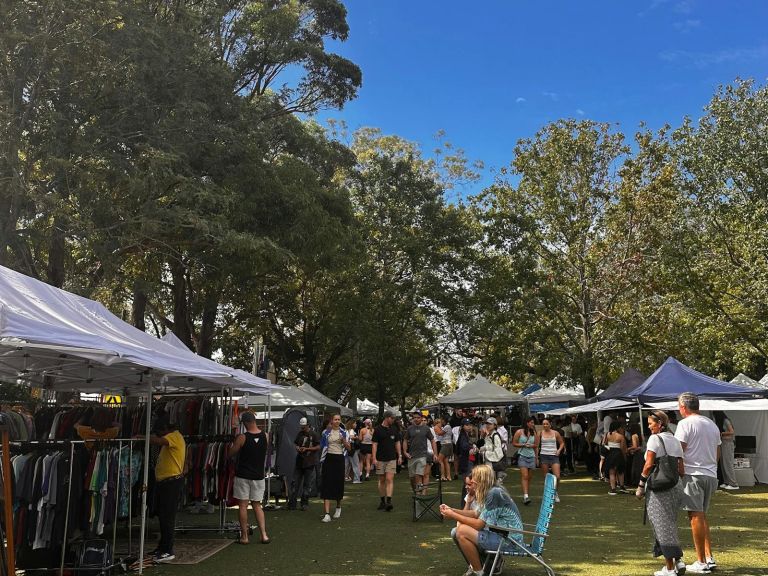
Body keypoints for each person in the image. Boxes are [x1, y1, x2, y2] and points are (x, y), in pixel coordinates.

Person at [440, 464, 524, 576]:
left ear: (481, 480)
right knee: (457, 531)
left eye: (474, 479)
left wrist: (452, 515)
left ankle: (480, 572)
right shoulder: (492, 491)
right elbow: (475, 514)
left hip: (509, 540)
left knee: (461, 531)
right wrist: (452, 510)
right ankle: (480, 566)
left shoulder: (494, 494)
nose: (472, 482)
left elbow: (478, 525)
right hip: (502, 535)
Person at [675, 392, 721, 573]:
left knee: (695, 517)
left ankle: (701, 562)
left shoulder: (684, 423)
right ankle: (709, 557)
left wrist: (678, 472)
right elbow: (718, 452)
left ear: (683, 407)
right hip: (710, 474)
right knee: (701, 516)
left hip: (693, 474)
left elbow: (679, 451)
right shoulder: (712, 424)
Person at [636, 411, 686, 576]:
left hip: (660, 487)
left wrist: (640, 485)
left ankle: (670, 569)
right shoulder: (675, 440)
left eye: (651, 423)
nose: (649, 426)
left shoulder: (654, 439)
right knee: (669, 523)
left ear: (660, 424)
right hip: (676, 486)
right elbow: (681, 470)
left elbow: (649, 464)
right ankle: (678, 561)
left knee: (662, 525)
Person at [143, 417, 185, 562]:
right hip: (166, 483)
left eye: (160, 432)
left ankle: (168, 550)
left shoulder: (174, 437)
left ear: (166, 429)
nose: (161, 435)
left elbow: (159, 441)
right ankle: (162, 547)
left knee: (167, 517)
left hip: (171, 483)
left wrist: (144, 437)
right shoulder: (173, 437)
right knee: (163, 516)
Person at [228, 411, 269, 544]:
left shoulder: (242, 437)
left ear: (245, 423)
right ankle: (264, 535)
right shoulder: (266, 436)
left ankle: (244, 537)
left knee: (243, 506)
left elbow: (231, 453)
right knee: (257, 505)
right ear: (254, 420)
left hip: (243, 475)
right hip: (258, 476)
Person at [320, 413, 351, 522]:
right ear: (331, 421)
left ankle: (338, 506)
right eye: (335, 419)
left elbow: (349, 448)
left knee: (338, 483)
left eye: (339, 419)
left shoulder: (344, 432)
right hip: (328, 458)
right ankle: (327, 514)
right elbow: (322, 446)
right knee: (327, 484)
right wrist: (322, 460)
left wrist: (343, 440)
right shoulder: (325, 432)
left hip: (339, 459)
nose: (337, 421)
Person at [372, 410, 402, 511]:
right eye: (392, 418)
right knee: (381, 480)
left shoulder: (394, 429)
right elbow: (374, 444)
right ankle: (382, 501)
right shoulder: (377, 429)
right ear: (387, 418)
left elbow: (397, 442)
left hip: (391, 458)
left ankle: (389, 502)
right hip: (380, 459)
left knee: (389, 479)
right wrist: (374, 458)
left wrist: (400, 455)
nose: (393, 420)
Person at [289, 416, 320, 511]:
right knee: (295, 483)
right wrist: (297, 448)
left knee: (307, 485)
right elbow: (295, 443)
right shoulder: (300, 434)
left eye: (304, 426)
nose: (302, 428)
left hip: (309, 463)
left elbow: (318, 447)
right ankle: (292, 504)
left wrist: (307, 449)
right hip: (299, 462)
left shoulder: (314, 434)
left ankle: (304, 503)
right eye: (301, 426)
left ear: (308, 425)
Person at [403, 411, 438, 494]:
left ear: (421, 418)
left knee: (418, 476)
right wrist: (405, 452)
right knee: (412, 478)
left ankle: (419, 496)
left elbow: (433, 440)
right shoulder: (410, 428)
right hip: (411, 456)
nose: (416, 419)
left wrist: (435, 453)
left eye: (418, 417)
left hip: (422, 455)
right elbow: (405, 440)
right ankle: (416, 492)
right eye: (415, 417)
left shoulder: (426, 428)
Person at [511, 417, 538, 505]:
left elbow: (536, 445)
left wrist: (536, 458)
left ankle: (526, 493)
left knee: (529, 477)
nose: (533, 424)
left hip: (531, 456)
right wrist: (523, 444)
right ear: (527, 423)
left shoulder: (534, 433)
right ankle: (526, 496)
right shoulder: (519, 432)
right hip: (522, 455)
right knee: (525, 476)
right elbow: (514, 443)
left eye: (533, 423)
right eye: (531, 422)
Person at [536, 419, 564, 503]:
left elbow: (562, 443)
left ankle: (555, 492)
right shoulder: (540, 433)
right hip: (544, 455)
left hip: (554, 456)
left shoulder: (555, 433)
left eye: (546, 424)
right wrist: (536, 457)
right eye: (543, 424)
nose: (545, 425)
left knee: (557, 476)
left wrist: (559, 450)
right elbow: (537, 446)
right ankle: (548, 494)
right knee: (546, 477)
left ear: (550, 424)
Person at [713, 411, 738, 490]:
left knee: (728, 463)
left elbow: (732, 432)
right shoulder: (722, 421)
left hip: (728, 443)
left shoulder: (726, 421)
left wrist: (721, 433)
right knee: (723, 463)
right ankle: (727, 482)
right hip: (723, 443)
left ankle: (733, 483)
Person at [455, 418, 476, 506]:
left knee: (467, 485)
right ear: (462, 426)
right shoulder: (463, 435)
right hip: (466, 462)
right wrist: (470, 448)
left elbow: (458, 448)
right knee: (468, 484)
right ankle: (465, 505)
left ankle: (465, 504)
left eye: (470, 425)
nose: (469, 426)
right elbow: (463, 447)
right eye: (467, 425)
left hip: (466, 461)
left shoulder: (464, 435)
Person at [605, 421, 628, 495]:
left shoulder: (607, 434)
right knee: (620, 471)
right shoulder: (621, 436)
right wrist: (624, 456)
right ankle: (621, 487)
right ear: (618, 427)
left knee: (612, 472)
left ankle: (613, 489)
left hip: (610, 454)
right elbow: (622, 448)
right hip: (618, 454)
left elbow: (605, 444)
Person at [480, 417, 506, 483]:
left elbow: (497, 450)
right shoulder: (488, 435)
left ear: (495, 425)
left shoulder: (495, 436)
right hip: (489, 460)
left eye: (490, 424)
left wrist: (485, 452)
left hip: (493, 461)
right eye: (487, 424)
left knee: (491, 481)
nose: (488, 426)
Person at [345, 418, 362, 483]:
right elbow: (351, 437)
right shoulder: (351, 430)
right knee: (356, 464)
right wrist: (357, 437)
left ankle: (345, 477)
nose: (356, 424)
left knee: (347, 464)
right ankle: (356, 479)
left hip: (347, 449)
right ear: (352, 424)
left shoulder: (347, 430)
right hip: (352, 448)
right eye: (355, 423)